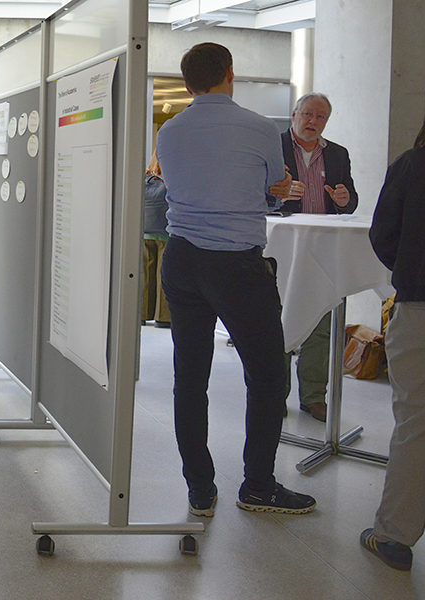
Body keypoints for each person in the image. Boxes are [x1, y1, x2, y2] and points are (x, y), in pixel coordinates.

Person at [155, 42, 316, 518]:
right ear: (230, 73)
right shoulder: (260, 127)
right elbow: (273, 187)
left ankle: (200, 490)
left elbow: (182, 187)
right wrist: (269, 194)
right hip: (237, 264)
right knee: (267, 376)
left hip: (181, 259)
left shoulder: (169, 133)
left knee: (190, 378)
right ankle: (259, 486)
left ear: (187, 84)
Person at [361, 68, 425, 572]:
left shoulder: (413, 165)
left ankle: (393, 537)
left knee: (414, 427)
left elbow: (381, 235)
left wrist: (413, 266)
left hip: (422, 309)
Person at [278, 92, 359, 423]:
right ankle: (274, 395)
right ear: (294, 114)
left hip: (324, 251)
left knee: (322, 322)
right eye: (308, 114)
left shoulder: (337, 153)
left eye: (321, 117)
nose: (313, 122)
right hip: (282, 248)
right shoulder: (273, 145)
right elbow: (255, 191)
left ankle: (313, 397)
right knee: (279, 323)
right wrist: (278, 193)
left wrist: (343, 199)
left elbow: (350, 200)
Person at [142, 152, 170, 328]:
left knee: (145, 275)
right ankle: (164, 317)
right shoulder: (171, 178)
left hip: (144, 232)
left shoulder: (144, 177)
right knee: (164, 276)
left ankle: (142, 313)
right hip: (166, 234)